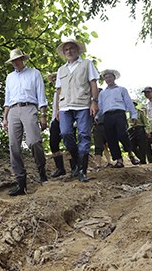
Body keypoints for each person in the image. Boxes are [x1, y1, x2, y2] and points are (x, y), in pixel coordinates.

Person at [3, 49, 48, 196]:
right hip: (13, 111)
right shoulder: (9, 77)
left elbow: (41, 95)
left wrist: (43, 115)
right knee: (13, 145)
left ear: (23, 59)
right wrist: (5, 118)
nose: (15, 63)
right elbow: (7, 100)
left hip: (29, 107)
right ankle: (20, 182)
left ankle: (42, 172)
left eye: (17, 60)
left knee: (34, 141)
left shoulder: (34, 73)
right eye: (13, 61)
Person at [55, 37, 99, 182]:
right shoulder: (61, 69)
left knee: (84, 135)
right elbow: (58, 90)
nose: (69, 51)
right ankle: (76, 161)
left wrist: (94, 102)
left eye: (71, 48)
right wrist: (56, 109)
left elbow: (93, 83)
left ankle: (81, 170)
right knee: (66, 133)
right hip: (65, 106)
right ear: (64, 52)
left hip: (83, 104)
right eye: (66, 49)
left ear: (77, 50)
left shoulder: (87, 64)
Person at [97, 69, 140, 168]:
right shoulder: (103, 93)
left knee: (122, 134)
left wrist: (133, 115)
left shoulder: (121, 89)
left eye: (110, 77)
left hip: (119, 113)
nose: (108, 79)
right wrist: (97, 116)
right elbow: (101, 106)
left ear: (114, 78)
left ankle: (130, 153)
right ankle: (119, 160)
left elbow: (128, 102)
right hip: (107, 115)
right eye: (106, 77)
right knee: (111, 138)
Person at [47, 73, 66, 177]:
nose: (54, 80)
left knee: (69, 142)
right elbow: (54, 109)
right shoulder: (55, 93)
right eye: (53, 79)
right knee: (53, 143)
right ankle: (60, 168)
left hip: (67, 118)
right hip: (55, 120)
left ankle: (75, 166)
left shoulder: (66, 89)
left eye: (56, 78)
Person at [92, 88, 112, 168]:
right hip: (97, 126)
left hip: (106, 124)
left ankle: (110, 161)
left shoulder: (107, 102)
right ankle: (98, 164)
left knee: (108, 144)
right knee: (99, 145)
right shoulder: (93, 104)